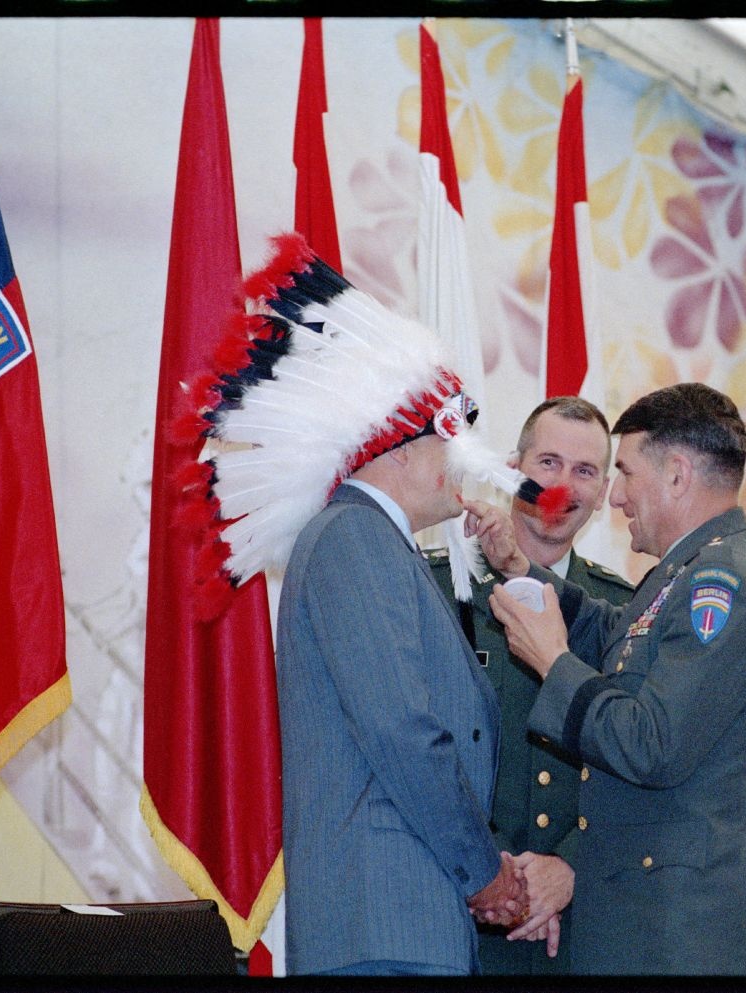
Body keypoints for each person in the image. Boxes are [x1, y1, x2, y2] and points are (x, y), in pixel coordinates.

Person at [174, 233, 546, 976]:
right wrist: (483, 872)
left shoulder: (373, 542)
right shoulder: (354, 541)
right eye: (452, 439)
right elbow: (405, 732)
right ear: (400, 451)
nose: (465, 460)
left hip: (399, 926)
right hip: (387, 932)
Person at [468, 382, 746, 975]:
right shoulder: (688, 571)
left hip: (684, 937)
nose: (614, 497)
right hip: (652, 927)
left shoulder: (723, 584)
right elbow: (621, 636)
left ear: (676, 474)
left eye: (624, 472)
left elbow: (651, 744)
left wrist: (553, 663)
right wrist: (523, 571)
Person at [425, 397, 634, 973]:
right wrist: (487, 875)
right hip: (460, 920)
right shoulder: (440, 591)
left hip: (576, 930)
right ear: (514, 467)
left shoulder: (623, 611)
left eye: (585, 471)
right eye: (547, 462)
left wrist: (570, 866)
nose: (562, 485)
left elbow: (636, 768)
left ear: (601, 491)